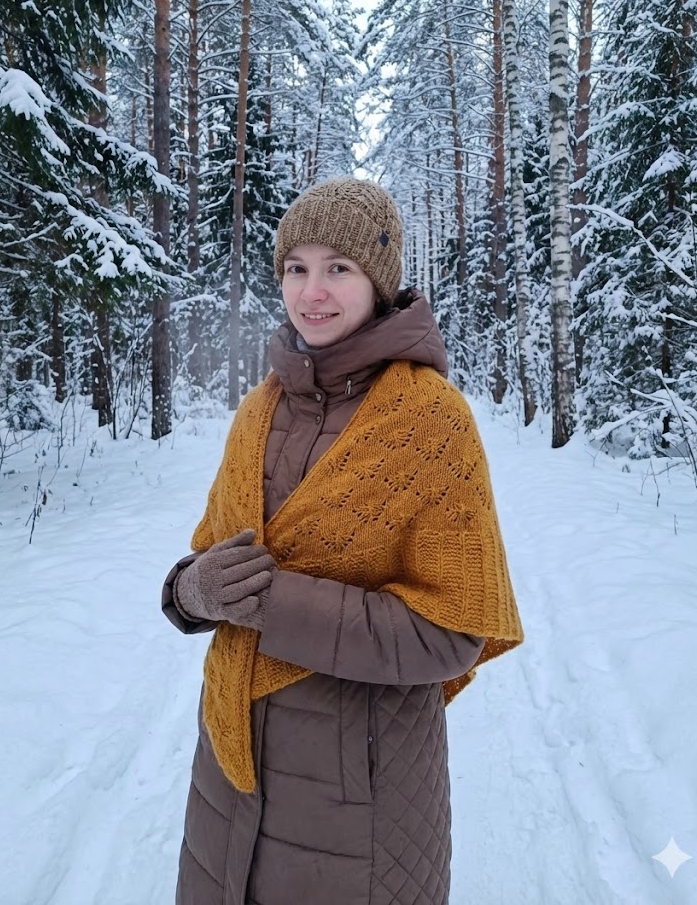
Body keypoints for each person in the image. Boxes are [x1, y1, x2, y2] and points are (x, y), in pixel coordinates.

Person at [161, 176, 524, 905]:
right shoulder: (257, 411)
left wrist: (277, 604)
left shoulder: (431, 420)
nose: (312, 291)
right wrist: (191, 589)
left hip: (362, 790)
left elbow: (453, 630)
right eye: (296, 268)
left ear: (378, 282)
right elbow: (208, 562)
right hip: (228, 778)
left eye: (339, 267)